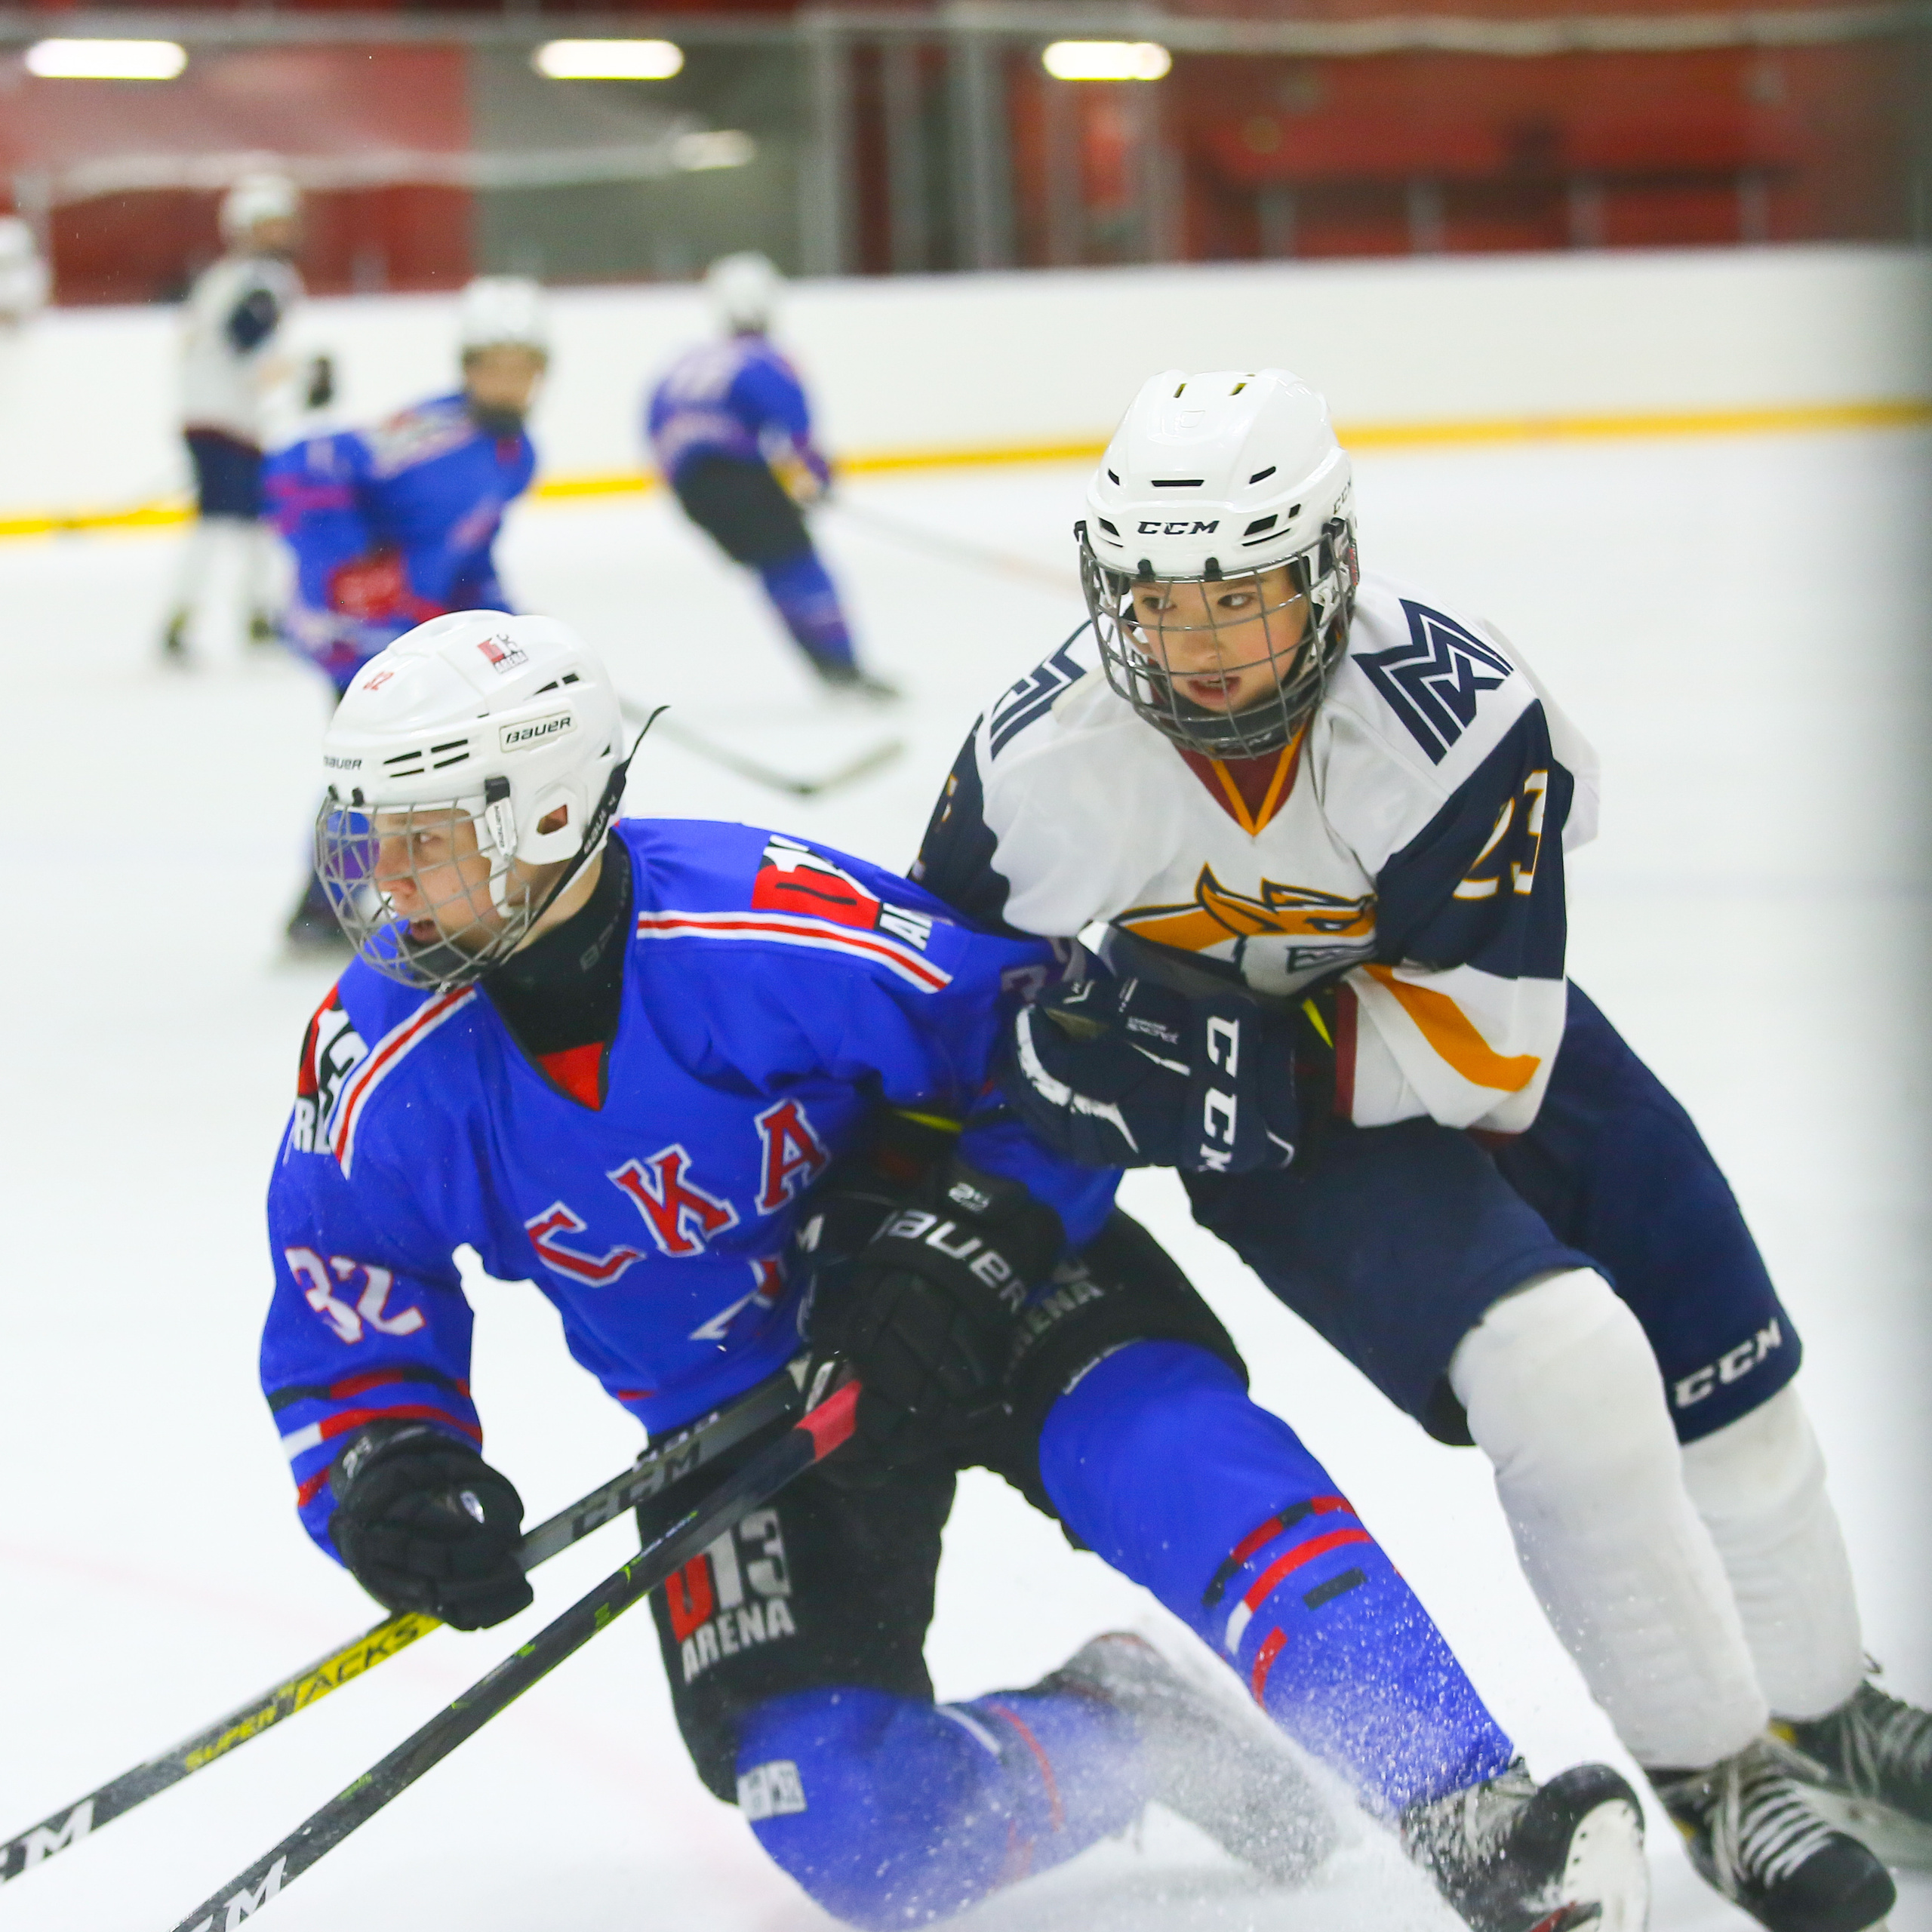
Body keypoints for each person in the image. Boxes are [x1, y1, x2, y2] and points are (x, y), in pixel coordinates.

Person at [260, 607, 1647, 1932]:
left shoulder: (767, 923)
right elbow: (348, 1290)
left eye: (426, 838)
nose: (388, 880)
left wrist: (963, 1240)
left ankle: (1473, 1809)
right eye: (374, 835)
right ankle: (1128, 1731)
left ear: (551, 814)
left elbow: (1060, 1050)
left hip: (977, 1281)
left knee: (1182, 1467)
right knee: (849, 1825)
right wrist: (392, 1471)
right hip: (735, 1423)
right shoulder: (378, 1064)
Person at [911, 366, 1931, 1932]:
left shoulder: (1455, 718)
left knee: (1730, 1366)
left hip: (1445, 1038)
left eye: (1241, 598)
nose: (1198, 647)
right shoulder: (1037, 764)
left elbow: (1488, 1053)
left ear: (1328, 570)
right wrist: (1032, 1075)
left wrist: (1204, 1071)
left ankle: (1825, 1709)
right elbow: (937, 1001)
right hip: (1297, 1138)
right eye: (1161, 604)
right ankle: (1720, 1770)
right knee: (1564, 1370)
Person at [265, 274, 547, 948]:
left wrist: (506, 627)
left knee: (406, 776)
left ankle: (329, 903)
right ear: (468, 368)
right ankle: (323, 906)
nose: (509, 384)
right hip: (351, 634)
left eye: (523, 369)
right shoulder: (429, 438)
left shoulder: (516, 455)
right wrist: (350, 571)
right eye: (495, 367)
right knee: (384, 777)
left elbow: (467, 553)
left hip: (408, 636)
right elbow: (298, 468)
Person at [646, 251, 895, 701]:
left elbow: (655, 426)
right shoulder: (769, 360)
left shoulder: (684, 361)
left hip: (693, 491)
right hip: (738, 477)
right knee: (801, 565)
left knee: (772, 570)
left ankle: (827, 667)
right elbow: (797, 432)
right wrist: (818, 482)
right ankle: (844, 667)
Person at [162, 171, 321, 664]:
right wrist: (303, 374)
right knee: (221, 519)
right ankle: (187, 618)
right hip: (225, 419)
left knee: (252, 517)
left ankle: (252, 610)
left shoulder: (227, 276)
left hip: (216, 416)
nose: (283, 233)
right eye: (271, 224)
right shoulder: (261, 279)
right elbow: (245, 346)